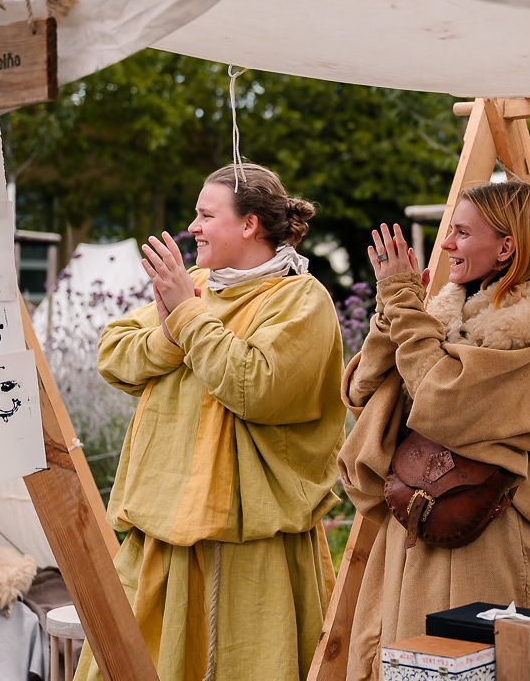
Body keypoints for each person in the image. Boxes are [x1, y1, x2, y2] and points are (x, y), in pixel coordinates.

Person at [74, 163, 346, 681]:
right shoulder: (196, 285)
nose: (192, 227)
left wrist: (186, 316)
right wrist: (169, 335)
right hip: (164, 531)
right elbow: (113, 355)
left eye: (206, 215)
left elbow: (255, 387)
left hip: (251, 547)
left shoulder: (300, 299)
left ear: (249, 225)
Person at [337, 179, 530, 680]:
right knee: (412, 660)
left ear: (506, 247)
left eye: (462, 233)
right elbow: (363, 391)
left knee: (477, 663)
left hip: (485, 531)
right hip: (416, 521)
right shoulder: (438, 316)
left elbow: (440, 400)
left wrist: (406, 310)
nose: (446, 244)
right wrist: (391, 310)